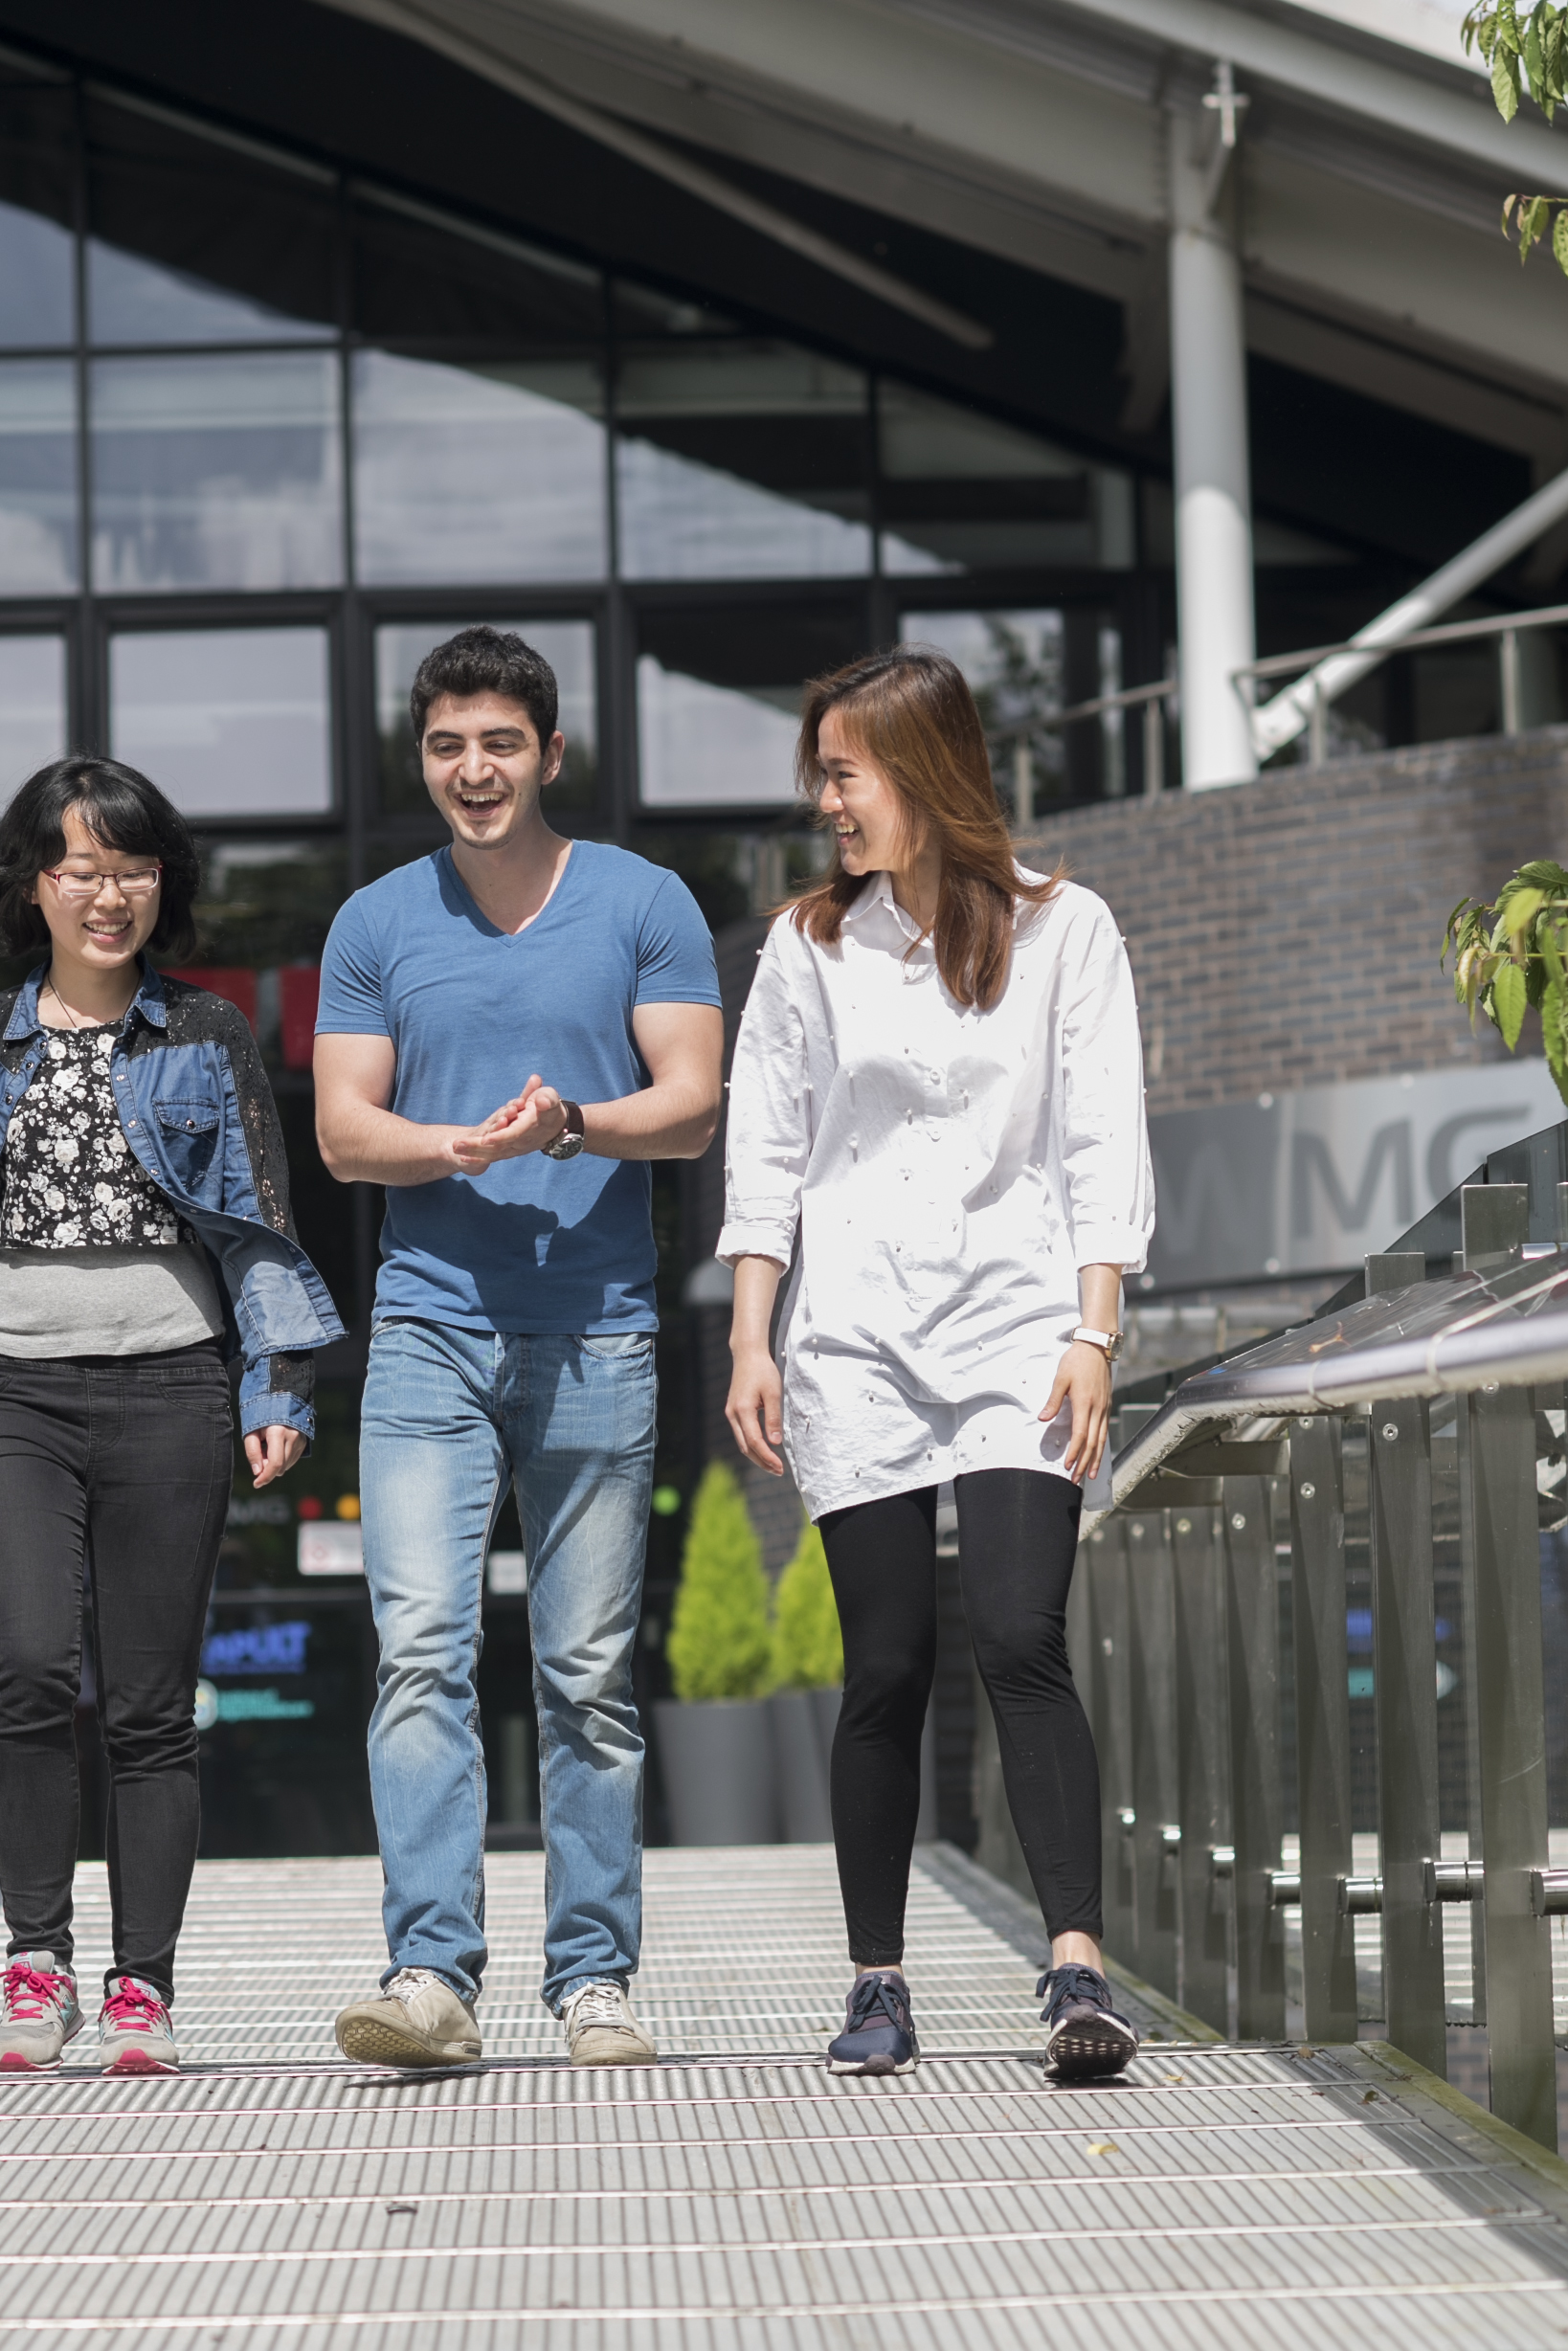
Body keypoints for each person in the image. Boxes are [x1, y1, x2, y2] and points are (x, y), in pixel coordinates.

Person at [716, 643, 1154, 2086]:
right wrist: (751, 1335)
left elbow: (1101, 1136)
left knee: (1021, 1634)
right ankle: (878, 1980)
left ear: (921, 770)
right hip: (850, 1336)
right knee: (887, 1664)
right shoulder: (808, 945)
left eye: (843, 774)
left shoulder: (1063, 927)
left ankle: (1076, 1968)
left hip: (1020, 1327)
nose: (827, 802)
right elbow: (769, 1149)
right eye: (822, 776)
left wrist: (1096, 1330)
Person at [0, 756, 342, 2074]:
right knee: (25, 1663)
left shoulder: (205, 1035)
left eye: (131, 869)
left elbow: (261, 1220)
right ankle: (38, 1959)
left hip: (172, 1387)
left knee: (148, 1699)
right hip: (13, 1387)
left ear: (162, 884)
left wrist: (277, 1386)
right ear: (35, 884)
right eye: (81, 868)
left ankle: (143, 1981)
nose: (108, 894)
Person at [313, 628, 725, 2069]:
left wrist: (574, 1126)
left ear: (551, 755)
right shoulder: (376, 921)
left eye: (498, 743)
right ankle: (432, 1976)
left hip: (599, 1331)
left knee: (586, 1672)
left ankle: (593, 1980)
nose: (471, 770)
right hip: (429, 1331)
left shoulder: (642, 901)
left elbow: (691, 1103)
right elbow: (343, 1132)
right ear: (418, 759)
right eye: (445, 746)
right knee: (419, 1652)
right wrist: (458, 1145)